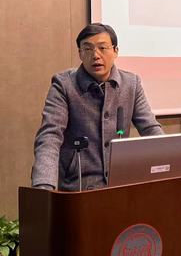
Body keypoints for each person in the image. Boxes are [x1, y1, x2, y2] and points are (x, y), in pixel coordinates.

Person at [31, 23, 163, 191]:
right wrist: (44, 186)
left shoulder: (131, 84)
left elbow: (150, 128)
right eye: (88, 49)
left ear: (115, 51)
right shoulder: (64, 85)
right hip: (78, 186)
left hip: (119, 185)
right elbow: (50, 136)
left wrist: (172, 164)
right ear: (80, 53)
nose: (95, 55)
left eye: (102, 48)